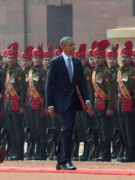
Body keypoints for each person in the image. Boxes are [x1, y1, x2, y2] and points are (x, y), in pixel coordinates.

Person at [46, 36, 94, 170]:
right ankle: (67, 160)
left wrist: (87, 100)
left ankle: (60, 160)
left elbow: (82, 84)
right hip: (60, 102)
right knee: (67, 128)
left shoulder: (77, 62)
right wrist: (49, 105)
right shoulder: (55, 62)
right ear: (63, 47)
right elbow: (49, 86)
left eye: (74, 44)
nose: (74, 47)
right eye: (70, 45)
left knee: (68, 129)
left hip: (73, 101)